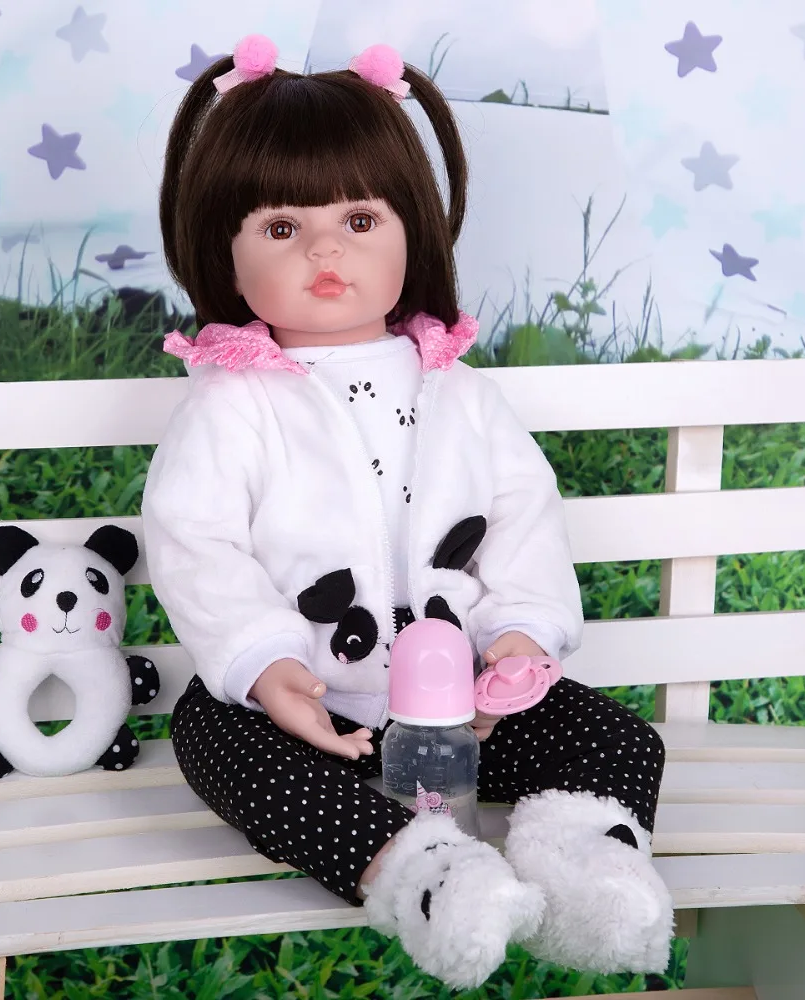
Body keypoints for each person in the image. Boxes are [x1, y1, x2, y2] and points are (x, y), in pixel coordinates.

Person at [142, 34, 672, 990]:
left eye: (358, 217)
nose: (325, 250)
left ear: (412, 230)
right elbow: (195, 541)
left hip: (468, 721)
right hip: (313, 719)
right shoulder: (232, 403)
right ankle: (427, 876)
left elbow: (522, 516)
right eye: (280, 227)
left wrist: (517, 636)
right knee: (210, 735)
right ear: (223, 249)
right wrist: (267, 667)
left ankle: (585, 866)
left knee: (615, 738)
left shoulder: (460, 393)